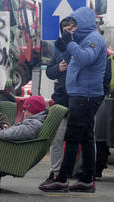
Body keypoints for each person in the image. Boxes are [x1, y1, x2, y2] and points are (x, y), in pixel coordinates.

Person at [40, 7, 107, 193]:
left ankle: (62, 179)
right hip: (80, 93)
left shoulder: (94, 39)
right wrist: (65, 40)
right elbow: (66, 52)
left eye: (75, 25)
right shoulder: (82, 40)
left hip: (85, 94)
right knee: (85, 137)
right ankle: (87, 180)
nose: (73, 28)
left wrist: (70, 43)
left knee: (72, 136)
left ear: (84, 23)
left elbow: (86, 58)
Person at [39, 18, 72, 187]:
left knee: (84, 138)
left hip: (80, 100)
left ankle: (86, 174)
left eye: (72, 28)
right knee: (57, 137)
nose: (69, 31)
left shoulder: (85, 46)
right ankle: (56, 172)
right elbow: (50, 72)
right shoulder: (58, 49)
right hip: (61, 99)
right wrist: (58, 68)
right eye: (65, 28)